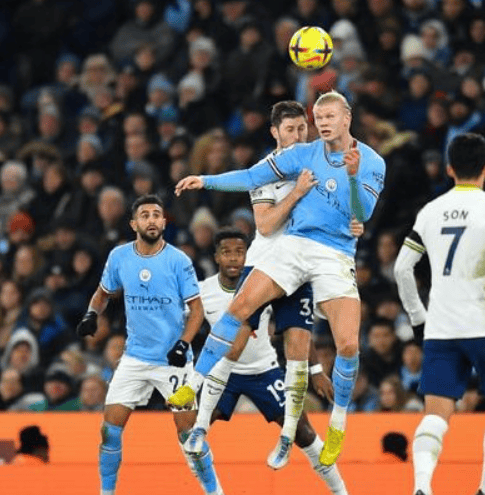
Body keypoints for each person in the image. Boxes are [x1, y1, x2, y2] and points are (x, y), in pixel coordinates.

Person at [171, 90, 385, 466]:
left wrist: (352, 178)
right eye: (319, 118)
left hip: (334, 253)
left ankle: (337, 423)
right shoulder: (303, 154)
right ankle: (193, 385)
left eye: (330, 117)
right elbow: (252, 176)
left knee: (349, 345)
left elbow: (362, 212)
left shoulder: (371, 161)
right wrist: (204, 180)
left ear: (347, 118)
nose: (323, 123)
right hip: (294, 245)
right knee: (239, 307)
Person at [393, 133, 485, 495]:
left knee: (435, 415)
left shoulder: (430, 211)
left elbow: (402, 268)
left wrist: (418, 317)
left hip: (440, 327)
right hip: (484, 324)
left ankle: (422, 485)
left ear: (449, 169)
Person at [75, 194, 223, 495]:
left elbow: (196, 310)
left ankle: (214, 492)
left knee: (189, 437)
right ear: (134, 224)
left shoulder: (178, 261)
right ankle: (106, 492)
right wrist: (91, 314)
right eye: (145, 215)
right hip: (135, 357)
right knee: (109, 431)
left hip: (173, 361)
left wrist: (183, 344)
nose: (152, 220)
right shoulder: (120, 257)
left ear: (164, 222)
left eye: (156, 215)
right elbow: (102, 294)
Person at [191, 228, 348, 494]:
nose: (233, 258)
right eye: (226, 252)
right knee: (192, 431)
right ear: (216, 257)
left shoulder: (265, 282)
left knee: (304, 432)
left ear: (248, 254)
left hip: (263, 372)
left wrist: (315, 369)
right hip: (223, 375)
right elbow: (185, 328)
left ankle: (341, 491)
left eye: (240, 252)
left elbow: (296, 329)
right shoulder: (203, 291)